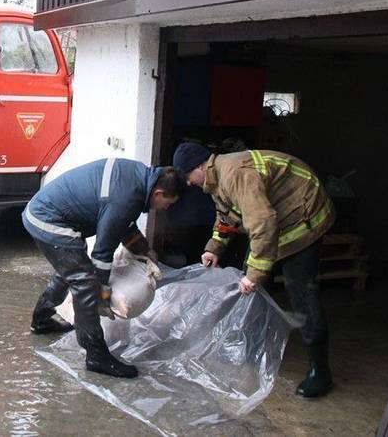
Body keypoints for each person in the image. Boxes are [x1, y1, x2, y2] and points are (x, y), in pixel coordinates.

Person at [173, 142, 336, 398]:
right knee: (254, 286)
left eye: (188, 176)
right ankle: (251, 351)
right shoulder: (217, 179)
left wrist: (254, 275)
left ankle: (320, 371)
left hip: (303, 217)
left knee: (300, 291)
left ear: (201, 166)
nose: (189, 183)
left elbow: (262, 223)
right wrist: (214, 248)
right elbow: (227, 215)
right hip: (275, 219)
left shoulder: (235, 173)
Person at [24, 158, 186, 378]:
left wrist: (143, 250)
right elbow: (102, 253)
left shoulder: (137, 178)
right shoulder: (129, 196)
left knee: (71, 266)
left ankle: (42, 319)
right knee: (85, 281)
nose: (165, 208)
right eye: (168, 203)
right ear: (158, 193)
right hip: (47, 218)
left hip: (45, 212)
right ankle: (96, 355)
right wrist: (101, 296)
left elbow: (123, 223)